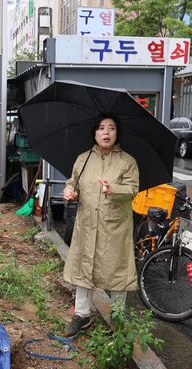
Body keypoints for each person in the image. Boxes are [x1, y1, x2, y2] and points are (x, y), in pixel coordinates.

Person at [62, 114, 139, 337]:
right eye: (101, 128)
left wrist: (113, 189)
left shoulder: (127, 161)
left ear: (117, 133)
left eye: (111, 128)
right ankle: (82, 315)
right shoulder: (83, 159)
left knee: (117, 270)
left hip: (114, 226)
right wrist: (69, 191)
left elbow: (133, 189)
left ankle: (117, 317)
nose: (106, 133)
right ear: (94, 133)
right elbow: (72, 181)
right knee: (83, 267)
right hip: (87, 223)